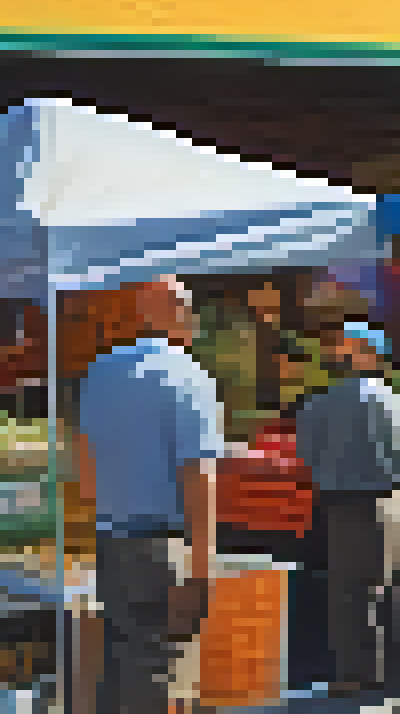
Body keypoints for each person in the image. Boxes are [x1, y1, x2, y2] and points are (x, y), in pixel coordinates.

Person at [73, 280, 224, 714]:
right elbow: (199, 475)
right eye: (190, 309)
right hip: (162, 547)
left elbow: (84, 471)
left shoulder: (99, 372)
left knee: (120, 659)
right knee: (162, 668)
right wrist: (202, 568)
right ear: (178, 310)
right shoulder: (189, 376)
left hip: (110, 539)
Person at [293, 324, 400, 698]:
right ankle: (390, 677)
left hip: (350, 504)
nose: (336, 352)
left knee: (351, 596)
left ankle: (359, 678)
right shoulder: (391, 398)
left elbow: (306, 454)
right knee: (386, 591)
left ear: (362, 352)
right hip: (396, 504)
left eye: (342, 346)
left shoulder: (325, 402)